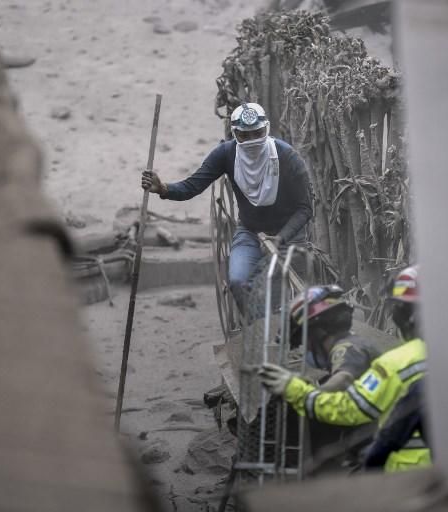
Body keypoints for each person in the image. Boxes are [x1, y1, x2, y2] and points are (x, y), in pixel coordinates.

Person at [141, 102, 312, 310]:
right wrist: (163, 189)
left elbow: (305, 208)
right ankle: (254, 331)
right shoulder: (226, 154)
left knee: (279, 296)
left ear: (266, 129)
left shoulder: (287, 157)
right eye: (244, 136)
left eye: (257, 133)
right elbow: (193, 186)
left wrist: (281, 238)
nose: (252, 141)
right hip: (250, 232)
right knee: (238, 282)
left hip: (289, 236)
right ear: (235, 134)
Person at [259, 265, 431, 472]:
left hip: (403, 468)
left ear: (317, 333)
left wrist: (302, 393)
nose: (303, 350)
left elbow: (345, 384)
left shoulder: (346, 349)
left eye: (303, 342)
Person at [287, 284, 379, 392]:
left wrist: (305, 396)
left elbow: (343, 380)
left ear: (317, 333)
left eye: (304, 341)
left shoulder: (345, 347)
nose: (306, 350)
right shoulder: (357, 342)